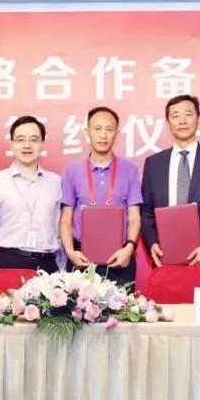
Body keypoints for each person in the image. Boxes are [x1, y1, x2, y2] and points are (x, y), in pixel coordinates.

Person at [141, 94, 200, 271]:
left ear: (199, 119)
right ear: (168, 123)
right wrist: (152, 243)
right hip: (166, 262)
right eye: (175, 116)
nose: (182, 121)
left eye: (188, 114)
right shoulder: (153, 164)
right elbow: (146, 211)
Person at [60, 106, 143, 286]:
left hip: (120, 258)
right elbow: (66, 219)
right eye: (97, 129)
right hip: (80, 259)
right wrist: (70, 252)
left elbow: (134, 217)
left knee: (123, 305)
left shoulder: (130, 170)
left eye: (109, 129)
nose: (103, 135)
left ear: (117, 134)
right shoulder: (72, 170)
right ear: (87, 132)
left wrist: (129, 249)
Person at [0, 115, 63, 274]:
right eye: (20, 139)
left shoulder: (56, 182)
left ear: (42, 144)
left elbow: (60, 229)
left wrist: (62, 270)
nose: (27, 145)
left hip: (48, 265)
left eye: (34, 139)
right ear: (12, 144)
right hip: (9, 263)